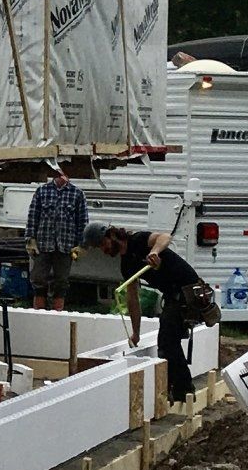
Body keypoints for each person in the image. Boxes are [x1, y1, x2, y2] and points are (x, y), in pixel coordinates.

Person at [93, 223, 215, 406]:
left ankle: (183, 392)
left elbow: (164, 237)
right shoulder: (126, 265)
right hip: (173, 296)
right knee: (168, 339)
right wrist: (136, 332)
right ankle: (177, 389)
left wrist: (155, 252)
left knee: (166, 340)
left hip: (188, 290)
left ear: (111, 235)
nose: (103, 250)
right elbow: (133, 299)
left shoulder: (139, 240)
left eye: (103, 244)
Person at [25, 161, 88, 307]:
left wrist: (81, 246)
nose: (62, 175)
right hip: (43, 245)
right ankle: (38, 314)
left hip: (66, 246)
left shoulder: (77, 194)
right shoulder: (42, 191)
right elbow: (32, 217)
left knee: (61, 283)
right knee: (38, 280)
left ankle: (57, 315)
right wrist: (30, 239)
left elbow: (82, 222)